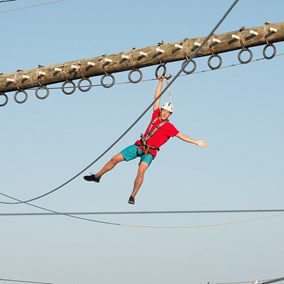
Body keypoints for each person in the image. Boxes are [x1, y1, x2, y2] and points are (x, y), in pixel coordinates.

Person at [83, 75, 208, 204]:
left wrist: (195, 142)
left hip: (150, 152)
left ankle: (132, 195)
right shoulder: (155, 115)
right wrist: (160, 82)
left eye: (167, 112)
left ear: (170, 114)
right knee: (115, 158)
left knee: (141, 170)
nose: (164, 113)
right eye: (163, 111)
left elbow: (181, 136)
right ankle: (97, 176)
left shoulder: (169, 127)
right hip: (139, 146)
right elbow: (157, 98)